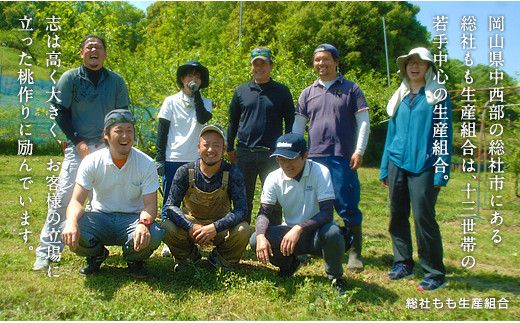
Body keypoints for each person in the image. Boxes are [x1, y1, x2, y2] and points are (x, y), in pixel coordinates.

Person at [33, 34, 130, 271]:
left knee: (107, 198)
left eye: (98, 47)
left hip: (109, 147)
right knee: (63, 198)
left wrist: (116, 143)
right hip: (79, 147)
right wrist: (77, 141)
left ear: (105, 54)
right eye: (89, 47)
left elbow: (123, 115)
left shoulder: (116, 81)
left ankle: (98, 249)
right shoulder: (70, 79)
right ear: (82, 53)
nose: (93, 50)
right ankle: (47, 251)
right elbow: (60, 112)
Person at [292, 44, 370, 272]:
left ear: (336, 62)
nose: (321, 64)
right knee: (312, 205)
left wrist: (360, 150)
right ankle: (307, 247)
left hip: (342, 158)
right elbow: (298, 127)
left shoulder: (351, 89)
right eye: (317, 60)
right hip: (313, 157)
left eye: (326, 59)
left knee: (347, 205)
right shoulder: (307, 93)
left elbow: (363, 122)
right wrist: (297, 154)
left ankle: (354, 251)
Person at [380, 47, 452, 291]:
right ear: (405, 67)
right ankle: (402, 262)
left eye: (420, 62)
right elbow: (392, 134)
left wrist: (442, 170)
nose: (414, 65)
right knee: (397, 215)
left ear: (428, 67)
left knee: (424, 218)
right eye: (410, 62)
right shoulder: (399, 96)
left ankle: (434, 272)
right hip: (396, 163)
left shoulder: (437, 95)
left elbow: (444, 134)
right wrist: (383, 169)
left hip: (426, 165)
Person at [61, 109, 164, 276]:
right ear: (106, 135)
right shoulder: (91, 162)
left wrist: (143, 224)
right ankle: (96, 255)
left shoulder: (146, 163)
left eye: (129, 130)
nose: (125, 136)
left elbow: (151, 205)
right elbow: (76, 201)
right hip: (100, 217)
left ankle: (134, 258)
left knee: (155, 233)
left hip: (133, 219)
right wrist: (71, 222)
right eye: (118, 131)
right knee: (69, 226)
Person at [250, 133, 348, 296]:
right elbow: (264, 212)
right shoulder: (273, 178)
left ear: (305, 156)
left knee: (333, 232)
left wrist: (298, 228)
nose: (285, 164)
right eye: (280, 159)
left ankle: (335, 277)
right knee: (255, 239)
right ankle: (289, 265)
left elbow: (326, 213)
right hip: (288, 234)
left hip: (317, 234)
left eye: (290, 159)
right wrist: (261, 235)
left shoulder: (320, 172)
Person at [162, 124, 250, 272]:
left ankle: (221, 260)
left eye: (216, 145)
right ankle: (188, 258)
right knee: (167, 227)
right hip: (191, 224)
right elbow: (170, 206)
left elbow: (242, 210)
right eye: (206, 144)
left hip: (220, 225)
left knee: (244, 229)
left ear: (223, 149)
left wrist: (215, 228)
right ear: (198, 147)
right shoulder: (184, 171)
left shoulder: (233, 173)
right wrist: (191, 227)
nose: (210, 149)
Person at [227, 47, 295, 225]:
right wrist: (229, 147)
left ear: (271, 66)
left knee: (275, 196)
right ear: (251, 67)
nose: (259, 68)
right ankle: (240, 235)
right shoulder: (241, 91)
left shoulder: (282, 91)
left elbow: (290, 123)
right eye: (255, 64)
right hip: (244, 152)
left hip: (272, 154)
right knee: (242, 196)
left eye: (263, 64)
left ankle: (272, 235)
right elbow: (233, 122)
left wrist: (288, 150)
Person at [155, 60, 212, 256]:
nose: (193, 79)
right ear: (182, 79)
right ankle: (168, 241)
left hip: (197, 159)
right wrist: (159, 159)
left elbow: (203, 118)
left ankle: (194, 236)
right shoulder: (170, 101)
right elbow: (162, 132)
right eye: (189, 75)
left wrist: (196, 95)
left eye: (197, 76)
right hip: (173, 157)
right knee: (170, 201)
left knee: (193, 201)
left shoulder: (205, 102)